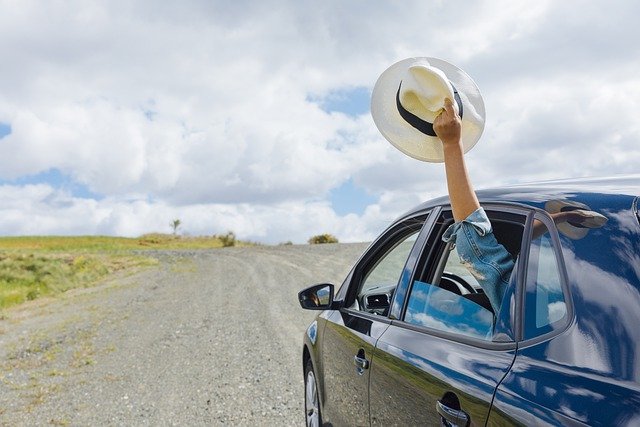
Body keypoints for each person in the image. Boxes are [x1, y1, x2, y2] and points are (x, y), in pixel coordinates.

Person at [433, 98, 598, 314]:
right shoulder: (600, 303)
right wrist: (557, 218)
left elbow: (475, 248)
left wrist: (451, 144)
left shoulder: (525, 311)